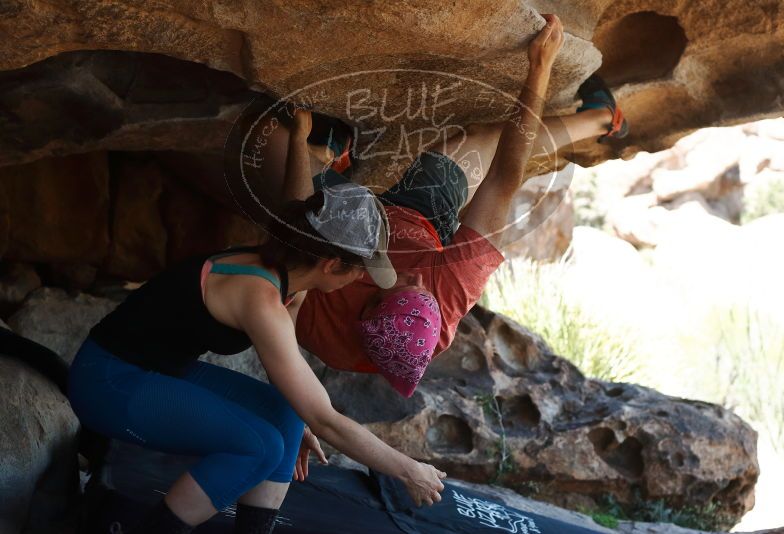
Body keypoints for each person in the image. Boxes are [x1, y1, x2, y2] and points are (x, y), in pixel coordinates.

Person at [67, 110, 447, 534]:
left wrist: (301, 139)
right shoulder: (261, 298)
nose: (363, 279)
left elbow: (299, 202)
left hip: (158, 368)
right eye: (361, 269)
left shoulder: (291, 258)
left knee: (288, 414)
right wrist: (408, 469)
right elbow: (326, 419)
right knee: (259, 446)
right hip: (107, 382)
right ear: (331, 264)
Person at [293, 15, 629, 397]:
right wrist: (539, 69)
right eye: (426, 296)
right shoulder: (446, 291)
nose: (419, 281)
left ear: (367, 310)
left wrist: (303, 156)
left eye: (408, 289)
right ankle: (601, 119)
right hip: (419, 218)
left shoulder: (319, 328)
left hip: (343, 230)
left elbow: (286, 221)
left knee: (283, 144)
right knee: (482, 141)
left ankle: (329, 154)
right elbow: (503, 178)